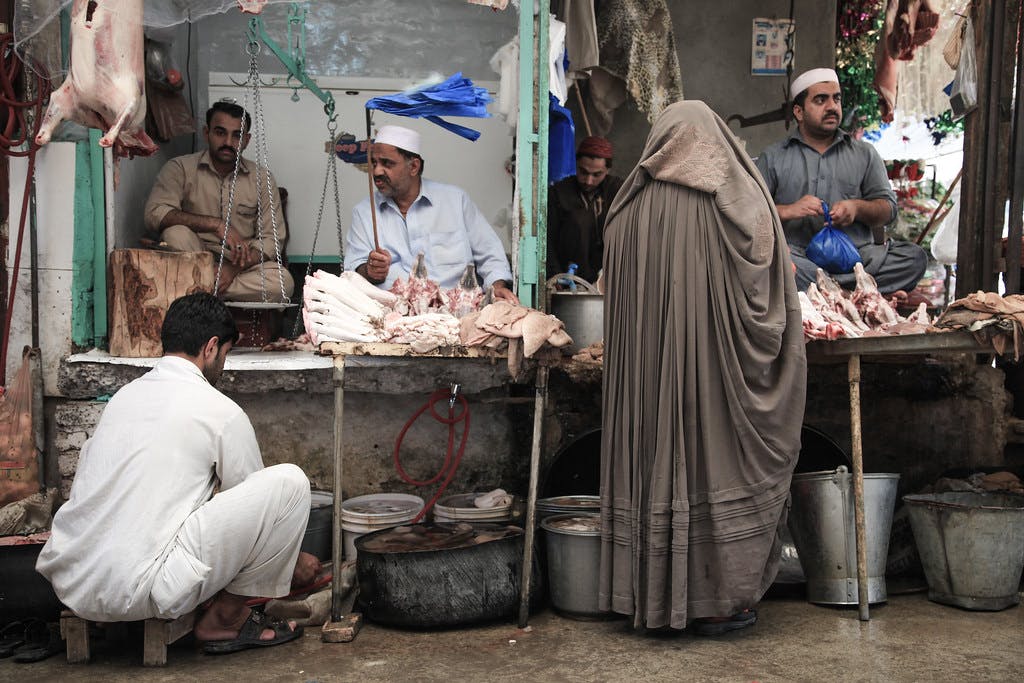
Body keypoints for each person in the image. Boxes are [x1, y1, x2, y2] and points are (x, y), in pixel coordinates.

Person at [599, 101, 806, 634]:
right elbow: (768, 284)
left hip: (647, 389)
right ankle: (715, 599)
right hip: (713, 384)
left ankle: (645, 597)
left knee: (655, 474)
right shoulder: (735, 200)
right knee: (714, 465)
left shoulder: (623, 213)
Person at [37, 293, 319, 654]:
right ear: (211, 347)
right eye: (226, 355)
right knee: (290, 484)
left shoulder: (122, 398)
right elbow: (255, 515)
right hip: (143, 589)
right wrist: (291, 561)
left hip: (75, 584)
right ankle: (226, 619)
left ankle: (112, 613)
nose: (223, 366)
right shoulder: (220, 410)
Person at [755, 67, 927, 295]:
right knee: (769, 262)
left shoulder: (864, 153)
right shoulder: (774, 157)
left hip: (858, 259)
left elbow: (889, 210)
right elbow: (749, 215)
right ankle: (858, 294)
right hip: (799, 258)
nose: (832, 107)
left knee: (914, 258)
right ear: (799, 111)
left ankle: (831, 293)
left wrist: (857, 208)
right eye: (820, 100)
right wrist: (788, 210)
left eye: (836, 99)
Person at [344, 125, 518, 303]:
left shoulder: (455, 201)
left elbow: (490, 254)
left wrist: (497, 286)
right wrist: (370, 271)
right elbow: (353, 270)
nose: (377, 171)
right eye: (374, 163)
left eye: (387, 163)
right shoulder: (364, 212)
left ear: (413, 166)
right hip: (391, 316)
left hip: (456, 312)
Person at [144, 101, 295, 303]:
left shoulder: (262, 179)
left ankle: (198, 288)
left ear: (247, 140)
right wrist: (215, 224)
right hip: (194, 253)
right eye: (220, 133)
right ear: (207, 134)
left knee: (283, 282)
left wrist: (231, 269)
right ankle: (207, 284)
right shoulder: (180, 167)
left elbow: (271, 240)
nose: (228, 142)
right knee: (175, 234)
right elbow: (155, 214)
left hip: (240, 263)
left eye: (237, 135)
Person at [547, 136, 625, 283]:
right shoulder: (558, 193)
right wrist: (555, 275)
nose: (589, 181)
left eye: (597, 175)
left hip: (608, 280)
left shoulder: (618, 191)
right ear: (576, 164)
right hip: (568, 280)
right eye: (583, 172)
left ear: (607, 170)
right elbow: (547, 241)